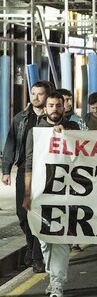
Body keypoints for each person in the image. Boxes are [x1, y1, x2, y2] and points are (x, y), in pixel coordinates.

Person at [22, 91, 80, 297]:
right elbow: (29, 163)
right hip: (41, 191)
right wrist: (27, 194)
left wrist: (67, 137)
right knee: (44, 239)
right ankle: (53, 275)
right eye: (51, 105)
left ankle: (57, 283)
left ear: (64, 108)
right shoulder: (35, 132)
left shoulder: (73, 128)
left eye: (58, 105)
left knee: (61, 238)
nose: (55, 109)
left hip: (65, 192)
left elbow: (80, 159)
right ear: (45, 108)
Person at [2, 80, 51, 273]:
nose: (36, 97)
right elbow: (11, 143)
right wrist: (6, 169)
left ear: (47, 96)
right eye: (33, 93)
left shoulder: (52, 119)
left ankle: (37, 257)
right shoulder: (21, 118)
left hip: (45, 170)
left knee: (37, 213)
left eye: (40, 94)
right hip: (25, 169)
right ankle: (31, 247)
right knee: (22, 214)